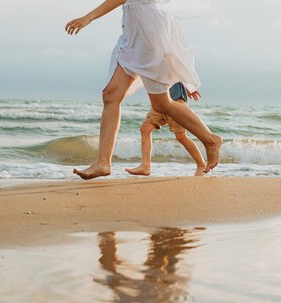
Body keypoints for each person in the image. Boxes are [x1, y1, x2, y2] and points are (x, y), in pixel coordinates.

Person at [66, 0, 222, 180]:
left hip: (148, 36)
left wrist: (88, 17)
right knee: (111, 96)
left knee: (162, 104)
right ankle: (103, 162)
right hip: (132, 34)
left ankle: (211, 140)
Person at [126, 82, 206, 177]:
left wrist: (191, 88)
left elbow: (183, 72)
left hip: (176, 103)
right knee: (145, 129)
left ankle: (201, 164)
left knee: (181, 137)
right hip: (159, 104)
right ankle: (145, 166)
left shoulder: (174, 67)